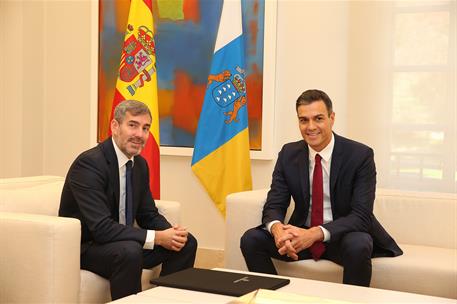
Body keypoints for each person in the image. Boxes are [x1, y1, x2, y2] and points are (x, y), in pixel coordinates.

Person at [240, 89, 402, 287]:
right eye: (303, 120)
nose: (311, 127)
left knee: (359, 244)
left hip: (341, 235)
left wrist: (314, 234)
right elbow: (275, 202)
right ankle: (272, 297)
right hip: (301, 234)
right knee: (251, 239)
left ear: (332, 118)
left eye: (318, 118)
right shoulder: (288, 153)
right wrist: (277, 230)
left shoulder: (360, 155)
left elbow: (361, 215)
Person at [59, 100, 197, 300]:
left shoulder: (139, 165)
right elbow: (102, 228)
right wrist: (158, 238)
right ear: (115, 126)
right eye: (132, 125)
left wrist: (170, 234)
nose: (140, 135)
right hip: (88, 247)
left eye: (145, 128)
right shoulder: (89, 164)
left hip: (123, 242)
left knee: (186, 243)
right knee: (130, 251)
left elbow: (147, 213)